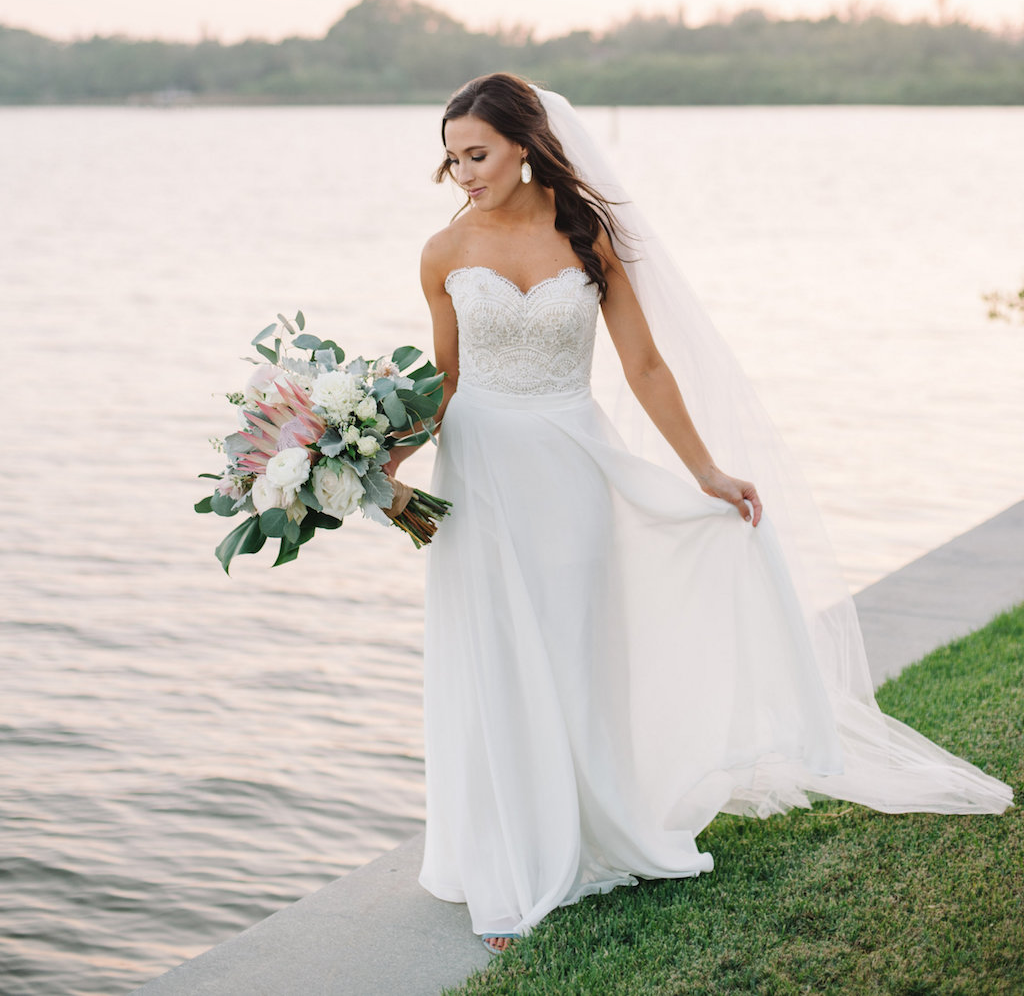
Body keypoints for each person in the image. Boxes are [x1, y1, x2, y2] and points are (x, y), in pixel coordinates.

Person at [382, 73, 1012, 957]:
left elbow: (642, 365)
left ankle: (588, 831)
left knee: (573, 646)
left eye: (476, 154)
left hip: (569, 467)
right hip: (481, 470)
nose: (463, 173)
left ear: (524, 143)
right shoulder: (441, 252)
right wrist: (378, 464)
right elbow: (444, 381)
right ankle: (510, 859)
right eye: (450, 160)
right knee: (494, 656)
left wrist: (707, 469)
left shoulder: (584, 232)